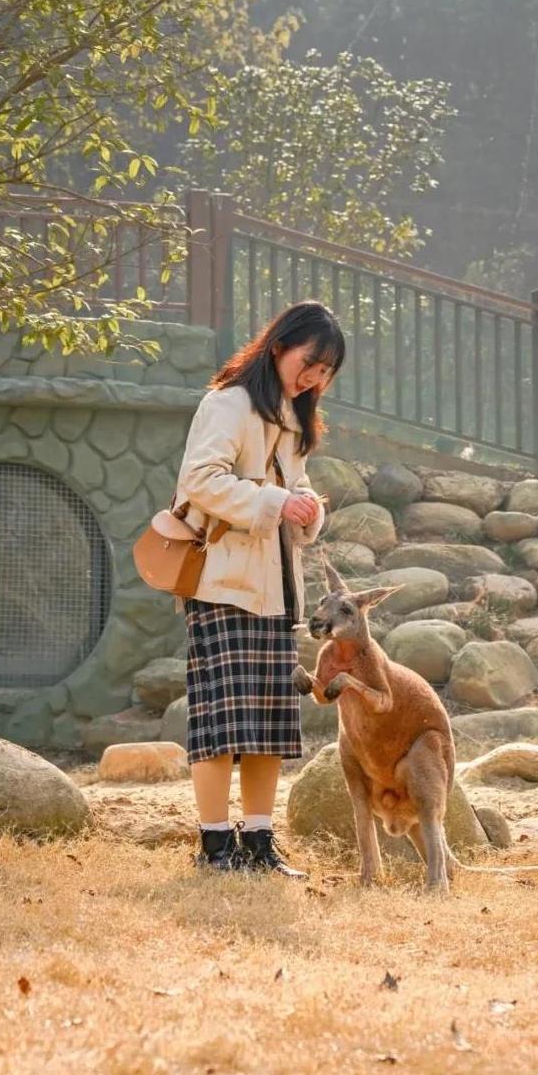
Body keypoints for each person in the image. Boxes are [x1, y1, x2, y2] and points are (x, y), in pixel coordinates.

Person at [174, 300, 344, 874]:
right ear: (279, 345)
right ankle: (216, 848)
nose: (315, 377)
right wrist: (277, 501)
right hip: (222, 584)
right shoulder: (228, 402)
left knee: (269, 723)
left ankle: (260, 846)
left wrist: (307, 510)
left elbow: (296, 494)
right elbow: (200, 480)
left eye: (325, 372)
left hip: (275, 591)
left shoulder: (293, 421)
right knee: (221, 724)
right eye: (311, 362)